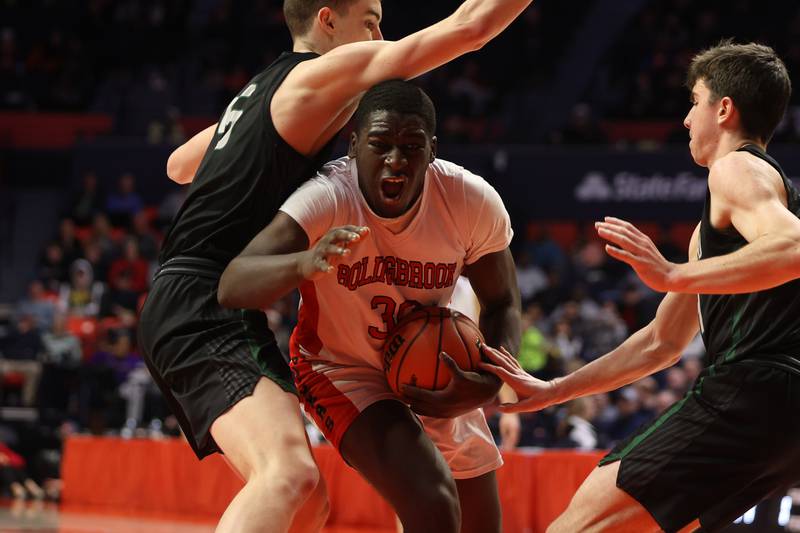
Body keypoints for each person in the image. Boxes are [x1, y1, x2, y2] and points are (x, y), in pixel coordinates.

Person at [137, 2, 534, 532]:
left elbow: (179, 165)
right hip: (206, 295)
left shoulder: (268, 92)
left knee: (307, 505)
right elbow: (470, 27)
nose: (380, 35)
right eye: (369, 21)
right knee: (286, 477)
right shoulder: (312, 76)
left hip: (197, 295)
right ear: (326, 20)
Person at [479, 41, 800, 533]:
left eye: (694, 102)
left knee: (578, 524)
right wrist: (555, 390)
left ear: (725, 109)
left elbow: (795, 248)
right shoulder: (722, 227)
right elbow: (660, 343)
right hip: (780, 417)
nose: (687, 119)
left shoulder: (737, 168)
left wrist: (672, 274)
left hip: (753, 389)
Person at [217, 80, 521, 533]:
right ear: (355, 144)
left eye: (411, 146)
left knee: (480, 522)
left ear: (432, 150)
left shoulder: (470, 201)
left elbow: (502, 301)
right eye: (379, 144)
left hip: (430, 366)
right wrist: (305, 262)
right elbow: (233, 283)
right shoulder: (328, 197)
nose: (395, 160)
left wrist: (487, 381)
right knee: (433, 497)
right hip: (341, 369)